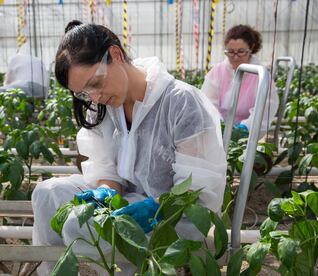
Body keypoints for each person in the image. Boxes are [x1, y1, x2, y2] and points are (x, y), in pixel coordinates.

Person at [31, 20, 227, 275]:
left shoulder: (180, 102)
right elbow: (109, 172)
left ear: (115, 54)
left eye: (95, 83)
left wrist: (156, 208)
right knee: (47, 194)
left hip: (174, 218)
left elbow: (197, 191)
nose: (95, 97)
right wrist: (105, 191)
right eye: (84, 93)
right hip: (129, 204)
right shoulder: (106, 108)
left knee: (76, 226)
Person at [201, 24, 279, 138]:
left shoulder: (261, 76)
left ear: (251, 48)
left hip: (247, 139)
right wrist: (220, 127)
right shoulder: (218, 71)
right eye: (231, 52)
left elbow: (265, 109)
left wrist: (245, 129)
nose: (236, 57)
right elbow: (208, 104)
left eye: (241, 51)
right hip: (216, 134)